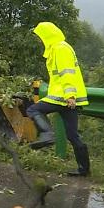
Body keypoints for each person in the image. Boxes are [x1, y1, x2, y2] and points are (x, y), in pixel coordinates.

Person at [26, 22, 90, 176]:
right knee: (72, 135)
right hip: (65, 98)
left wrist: (70, 96)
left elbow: (67, 73)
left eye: (40, 36)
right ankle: (84, 170)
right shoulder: (57, 48)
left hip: (63, 97)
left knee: (33, 109)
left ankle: (47, 134)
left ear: (47, 36)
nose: (39, 40)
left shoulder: (60, 48)